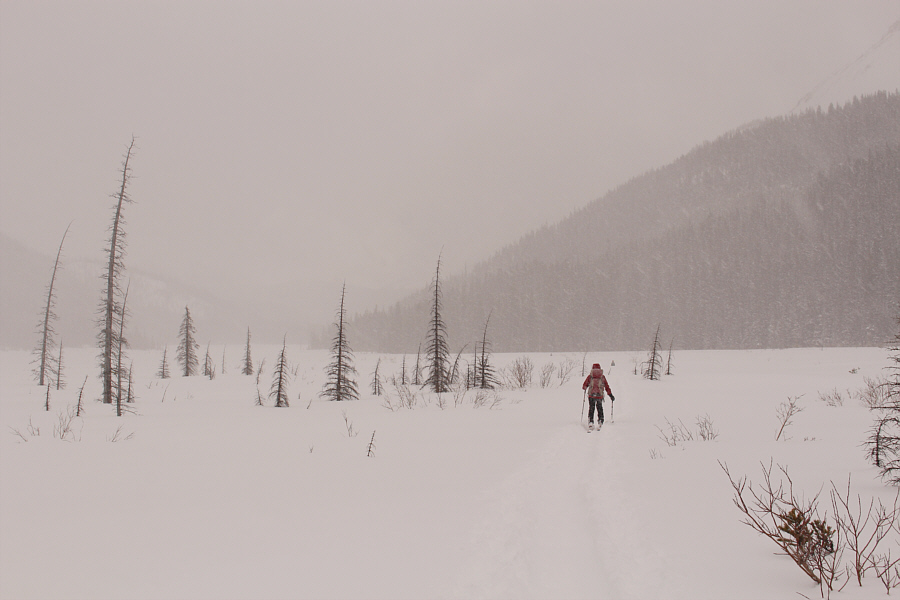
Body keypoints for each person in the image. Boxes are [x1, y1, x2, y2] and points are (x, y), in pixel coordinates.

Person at [582, 363, 614, 429]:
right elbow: (607, 387)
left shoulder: (590, 376)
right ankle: (600, 421)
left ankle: (591, 422)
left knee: (591, 408)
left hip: (591, 395)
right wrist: (610, 395)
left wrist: (585, 387)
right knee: (600, 408)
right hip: (599, 395)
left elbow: (584, 386)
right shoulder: (602, 377)